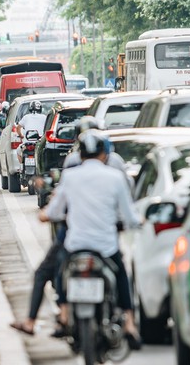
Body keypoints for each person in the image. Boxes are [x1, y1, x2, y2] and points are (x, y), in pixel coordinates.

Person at [38, 130, 142, 349]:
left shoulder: (70, 175)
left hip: (76, 244)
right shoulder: (115, 177)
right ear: (105, 154)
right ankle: (130, 323)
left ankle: (64, 314)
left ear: (81, 154)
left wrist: (45, 215)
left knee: (61, 269)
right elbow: (129, 215)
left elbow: (55, 210)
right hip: (106, 247)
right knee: (122, 274)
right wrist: (136, 222)